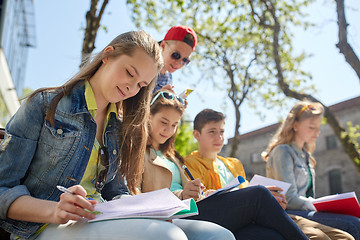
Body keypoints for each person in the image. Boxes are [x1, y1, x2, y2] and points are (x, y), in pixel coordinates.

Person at [0, 31, 234, 240]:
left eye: (141, 84)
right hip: (43, 226)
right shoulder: (44, 104)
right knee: (168, 236)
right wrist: (55, 210)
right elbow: (3, 189)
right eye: (130, 73)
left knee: (217, 234)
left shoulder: (120, 125)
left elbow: (115, 193)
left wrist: (150, 210)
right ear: (107, 55)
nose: (132, 88)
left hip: (101, 218)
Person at [140, 90, 309, 240]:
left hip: (195, 209)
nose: (169, 130)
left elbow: (191, 192)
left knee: (271, 236)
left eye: (174, 125)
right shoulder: (139, 154)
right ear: (148, 117)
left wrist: (206, 194)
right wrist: (182, 194)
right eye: (164, 122)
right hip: (175, 216)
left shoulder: (173, 157)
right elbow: (139, 195)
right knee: (259, 195)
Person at [184, 108, 354, 240]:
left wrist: (272, 196)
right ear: (197, 135)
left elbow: (247, 193)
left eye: (221, 131)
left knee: (344, 236)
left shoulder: (233, 163)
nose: (219, 137)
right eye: (212, 132)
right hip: (236, 218)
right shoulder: (190, 164)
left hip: (264, 211)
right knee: (318, 237)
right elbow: (211, 202)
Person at [263, 100, 360, 239]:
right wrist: (313, 204)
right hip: (289, 212)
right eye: (311, 127)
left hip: (304, 211)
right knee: (353, 225)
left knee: (354, 221)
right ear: (295, 125)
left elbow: (308, 195)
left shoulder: (306, 155)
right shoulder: (282, 151)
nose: (317, 132)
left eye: (318, 128)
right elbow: (288, 198)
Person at [153, 25, 197, 92]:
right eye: (176, 55)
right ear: (163, 46)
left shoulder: (168, 79)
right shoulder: (145, 65)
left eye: (185, 60)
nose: (178, 63)